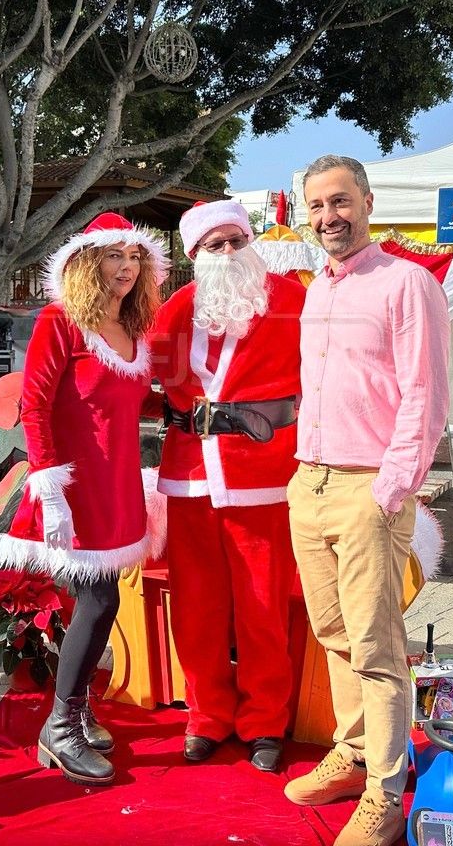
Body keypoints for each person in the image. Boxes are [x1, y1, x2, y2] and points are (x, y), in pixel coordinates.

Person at [286, 155, 450, 846]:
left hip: (368, 488)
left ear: (368, 203)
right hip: (310, 482)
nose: (329, 217)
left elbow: (426, 393)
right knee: (332, 635)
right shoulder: (315, 292)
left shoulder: (406, 283)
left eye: (341, 201)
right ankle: (353, 754)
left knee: (377, 648)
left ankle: (385, 791)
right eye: (317, 206)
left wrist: (390, 488)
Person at [0, 212, 168, 786]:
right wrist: (49, 487)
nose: (127, 266)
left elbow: (127, 402)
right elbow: (35, 405)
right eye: (114, 255)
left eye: (135, 256)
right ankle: (60, 724)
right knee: (99, 600)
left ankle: (76, 708)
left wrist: (188, 408)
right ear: (88, 263)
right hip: (72, 486)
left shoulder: (133, 328)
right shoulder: (61, 321)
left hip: (115, 482)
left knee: (104, 599)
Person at [149, 199, 305, 772]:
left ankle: (265, 720)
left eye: (237, 240)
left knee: (262, 606)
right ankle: (207, 715)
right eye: (215, 245)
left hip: (263, 474)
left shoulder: (292, 300)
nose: (229, 252)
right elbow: (141, 377)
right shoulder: (175, 310)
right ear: (196, 254)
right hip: (190, 476)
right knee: (197, 607)